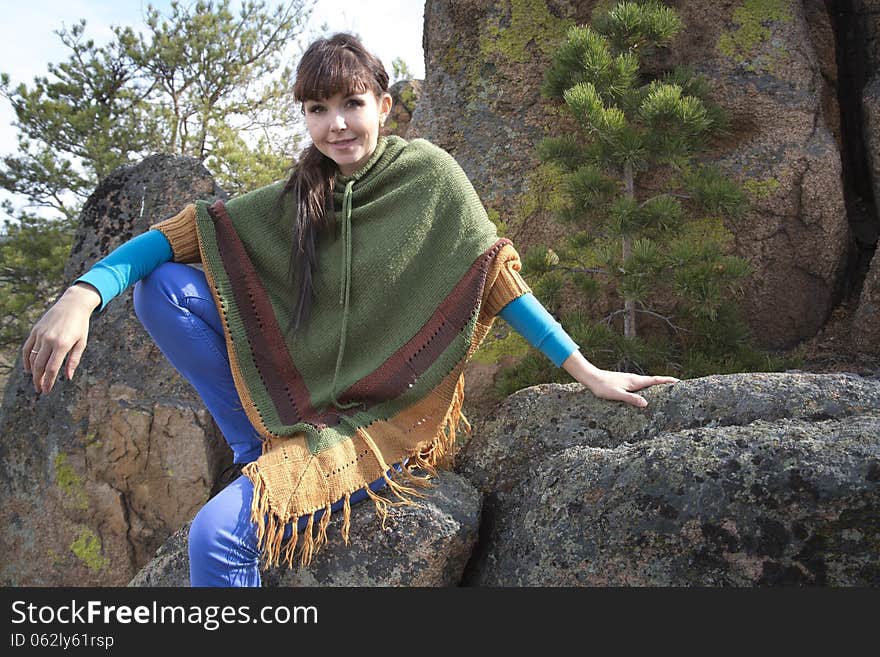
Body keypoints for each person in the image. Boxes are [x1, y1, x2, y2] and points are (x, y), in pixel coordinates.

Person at [21, 33, 679, 587]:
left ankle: (282, 460)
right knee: (159, 288)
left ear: (384, 106)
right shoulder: (299, 193)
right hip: (303, 408)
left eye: (351, 103)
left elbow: (497, 280)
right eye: (317, 107)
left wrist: (588, 371)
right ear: (305, 117)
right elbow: (175, 236)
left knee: (216, 537)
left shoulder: (431, 177)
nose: (336, 122)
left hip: (384, 420)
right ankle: (263, 444)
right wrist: (81, 294)